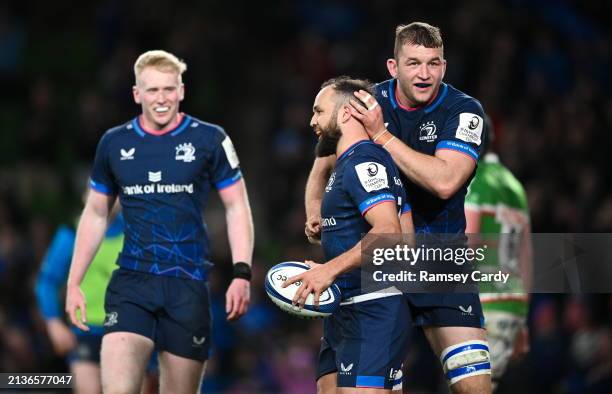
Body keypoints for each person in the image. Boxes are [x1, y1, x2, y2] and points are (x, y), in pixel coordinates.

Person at [305, 23, 492, 393]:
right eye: (413, 63)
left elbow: (445, 182)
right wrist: (314, 209)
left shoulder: (464, 111)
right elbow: (322, 162)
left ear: (444, 66)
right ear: (393, 67)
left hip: (439, 264)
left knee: (474, 388)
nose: (424, 74)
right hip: (380, 269)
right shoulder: (367, 101)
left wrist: (382, 136)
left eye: (433, 63)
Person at [65, 50, 254, 394]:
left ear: (181, 91)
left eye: (169, 89)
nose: (161, 98)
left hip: (187, 285)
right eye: (152, 90)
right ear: (137, 94)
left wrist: (242, 273)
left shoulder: (210, 139)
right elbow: (95, 213)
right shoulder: (114, 143)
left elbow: (236, 205)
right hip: (132, 284)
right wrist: (74, 281)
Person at [285, 76, 414, 393]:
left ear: (345, 113)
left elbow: (390, 233)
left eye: (318, 111)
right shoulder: (350, 165)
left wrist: (329, 269)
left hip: (372, 309)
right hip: (346, 309)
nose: (312, 120)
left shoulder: (364, 162)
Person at [35, 204, 158, 394]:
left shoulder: (137, 231)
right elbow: (47, 281)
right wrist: (53, 322)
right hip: (86, 329)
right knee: (87, 388)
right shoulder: (72, 232)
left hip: (129, 330)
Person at [465, 116, 531, 391]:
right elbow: (526, 258)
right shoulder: (515, 186)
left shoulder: (475, 182)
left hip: (484, 304)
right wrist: (523, 321)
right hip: (511, 305)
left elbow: (467, 246)